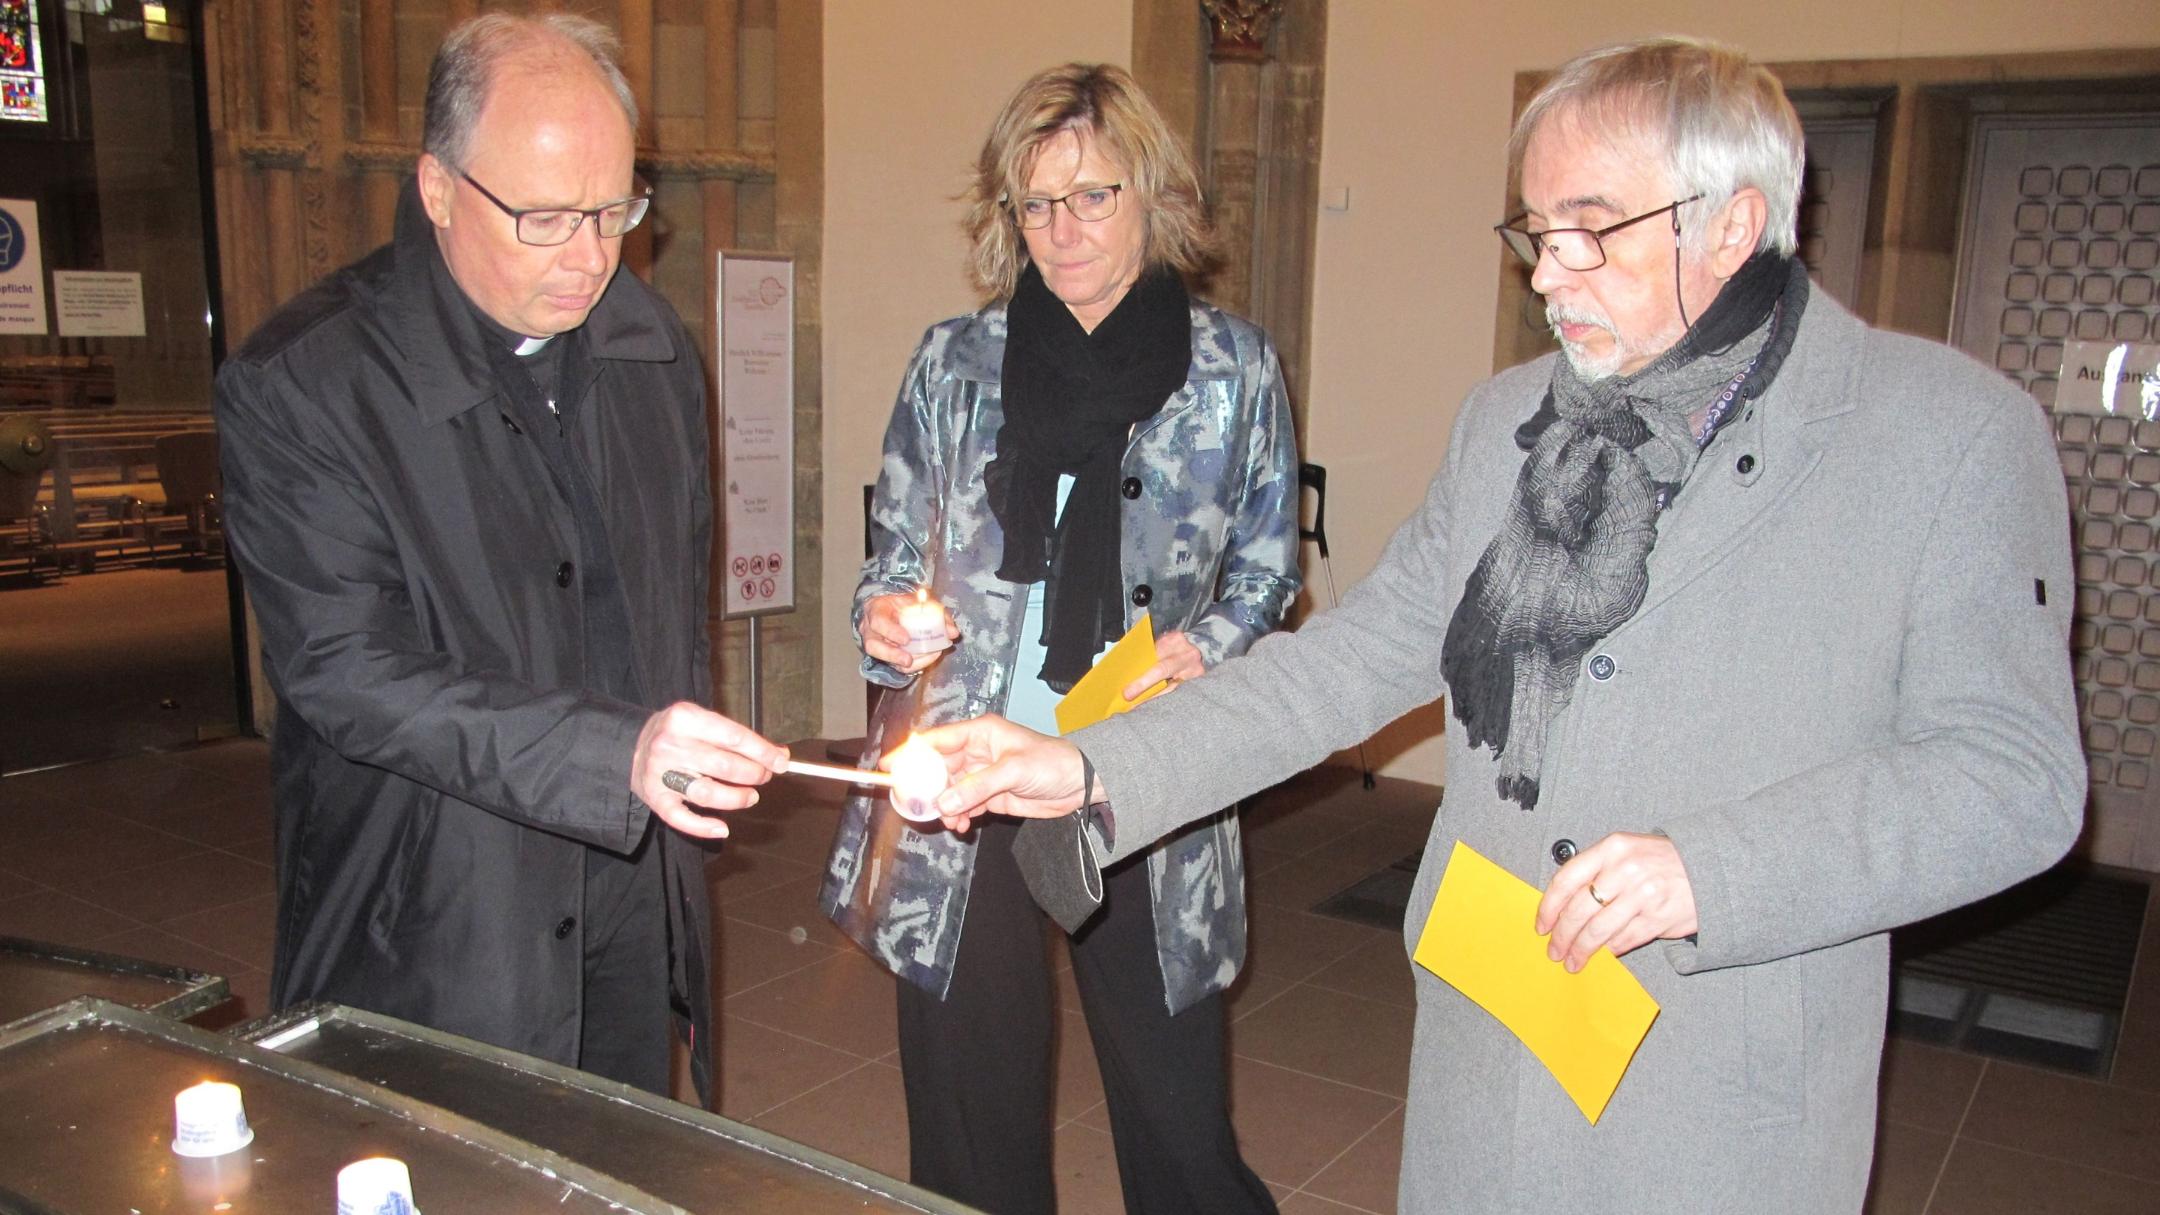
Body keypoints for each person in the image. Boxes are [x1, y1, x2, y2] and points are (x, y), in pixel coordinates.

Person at [916, 37, 2086, 1214]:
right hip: (1490, 1042)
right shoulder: (1507, 423)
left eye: (1592, 231)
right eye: (1536, 232)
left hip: (1714, 1083)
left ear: (1731, 226)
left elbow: (2015, 780)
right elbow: (1353, 661)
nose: (1548, 275)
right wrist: (1091, 764)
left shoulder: (1946, 439)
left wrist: (1713, 873)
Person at [214, 13, 787, 1104]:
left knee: (615, 1158)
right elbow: (346, 673)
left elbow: (670, 616)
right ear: (438, 190)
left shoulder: (650, 349)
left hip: (628, 886)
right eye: (544, 218)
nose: (590, 258)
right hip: (440, 906)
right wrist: (611, 752)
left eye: (615, 210)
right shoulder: (305, 382)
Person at [818, 62, 1298, 1215]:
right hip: (967, 772)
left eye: (1092, 196)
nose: (1063, 228)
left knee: (1176, 1116)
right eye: (1036, 203)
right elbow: (891, 553)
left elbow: (1270, 571)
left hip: (1138, 763)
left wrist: (1213, 648)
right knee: (969, 1121)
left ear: (1152, 196)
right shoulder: (955, 364)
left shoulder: (1231, 372)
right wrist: (885, 615)